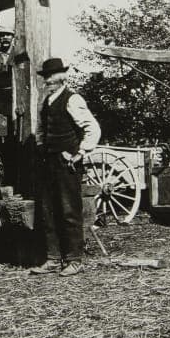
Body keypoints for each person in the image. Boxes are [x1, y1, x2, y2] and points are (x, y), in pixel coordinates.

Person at [30, 57, 101, 277]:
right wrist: (41, 146)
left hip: (67, 162)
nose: (47, 81)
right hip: (49, 163)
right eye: (45, 78)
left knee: (69, 210)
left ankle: (74, 260)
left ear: (61, 77)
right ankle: (52, 259)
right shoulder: (46, 102)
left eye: (51, 77)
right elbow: (40, 130)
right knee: (48, 211)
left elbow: (93, 129)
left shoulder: (72, 99)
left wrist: (80, 153)